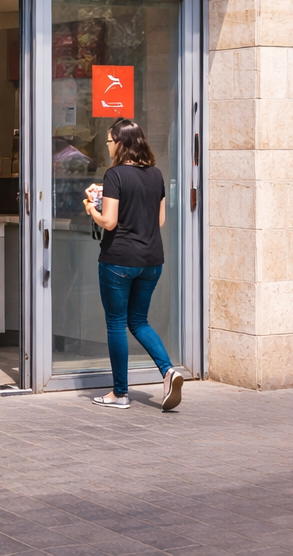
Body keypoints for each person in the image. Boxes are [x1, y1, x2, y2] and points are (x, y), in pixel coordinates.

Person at [82, 118, 184, 412]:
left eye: (109, 142)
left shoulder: (115, 175)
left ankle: (120, 393)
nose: (108, 147)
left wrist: (91, 208)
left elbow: (109, 222)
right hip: (152, 261)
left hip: (119, 260)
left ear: (120, 143)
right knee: (139, 321)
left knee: (116, 323)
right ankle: (168, 371)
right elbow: (159, 220)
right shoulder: (156, 175)